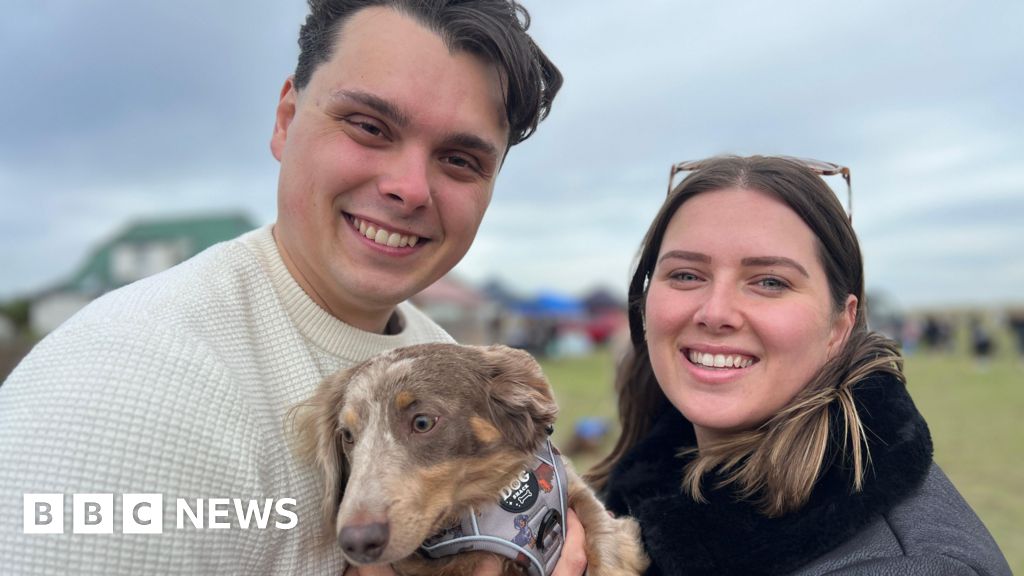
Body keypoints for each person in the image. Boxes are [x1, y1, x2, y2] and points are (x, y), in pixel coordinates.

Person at [0, 1, 586, 575]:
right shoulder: (127, 384)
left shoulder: (443, 356)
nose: (409, 188)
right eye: (369, 126)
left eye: (459, 159)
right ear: (286, 119)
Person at [586, 156, 1011, 575]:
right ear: (644, 302)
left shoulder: (909, 565)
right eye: (685, 275)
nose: (715, 312)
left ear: (840, 323)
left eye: (770, 282)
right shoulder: (639, 495)